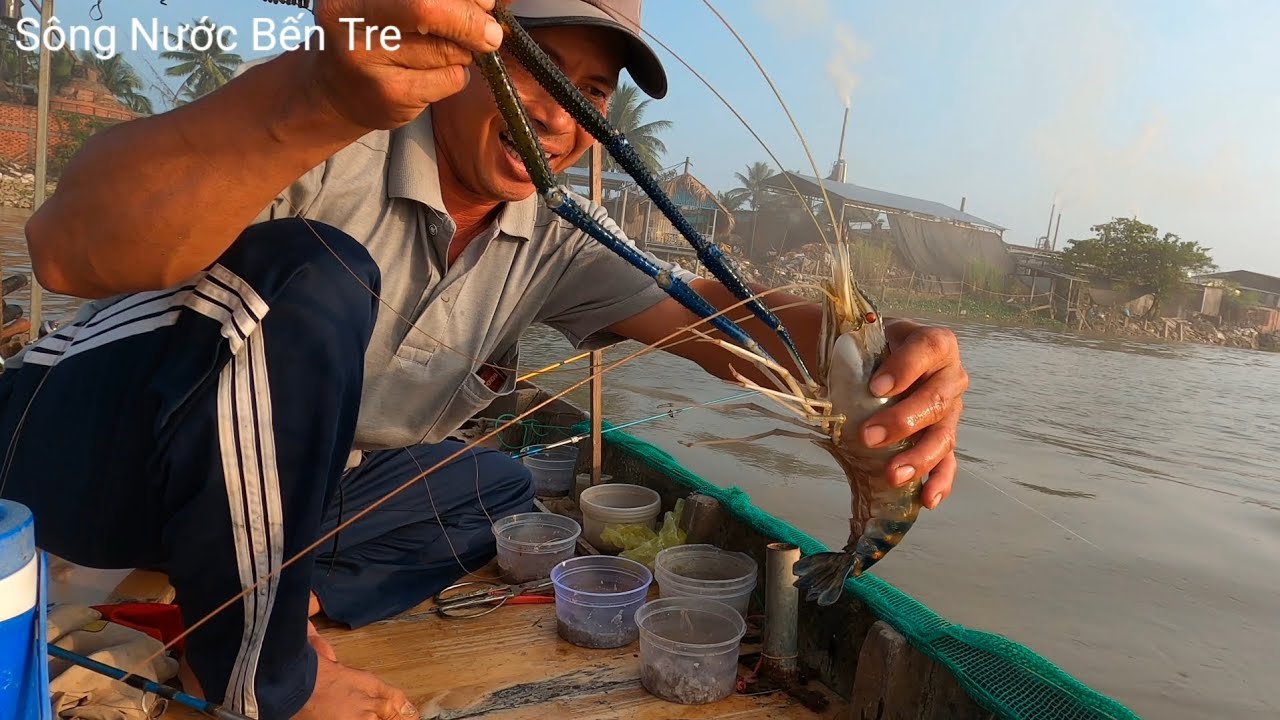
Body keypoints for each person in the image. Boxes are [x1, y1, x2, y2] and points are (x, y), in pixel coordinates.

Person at [1, 0, 969, 718]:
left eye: (588, 91)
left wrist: (875, 364)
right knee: (317, 273)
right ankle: (259, 672)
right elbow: (68, 249)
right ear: (457, 50)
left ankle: (261, 600)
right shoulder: (326, 132)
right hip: (85, 465)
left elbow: (723, 320)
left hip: (268, 510)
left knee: (493, 483)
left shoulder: (554, 235)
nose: (558, 114)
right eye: (533, 65)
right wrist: (307, 94)